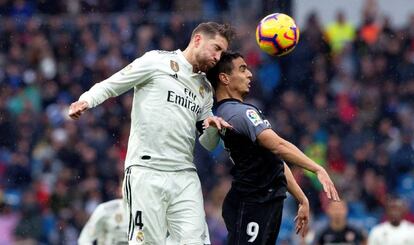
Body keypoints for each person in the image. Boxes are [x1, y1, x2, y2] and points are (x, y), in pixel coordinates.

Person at [68, 22, 236, 244]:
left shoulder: (205, 89)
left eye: (222, 52)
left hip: (184, 174)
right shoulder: (157, 61)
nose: (218, 57)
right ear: (197, 40)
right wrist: (86, 100)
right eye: (216, 48)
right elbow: (113, 84)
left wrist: (213, 129)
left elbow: (206, 142)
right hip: (146, 171)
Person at [206, 51, 340, 244]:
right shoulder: (239, 113)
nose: (250, 74)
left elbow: (273, 161)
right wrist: (317, 168)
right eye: (242, 69)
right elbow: (278, 146)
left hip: (262, 200)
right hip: (253, 201)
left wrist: (302, 198)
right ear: (225, 78)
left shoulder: (232, 111)